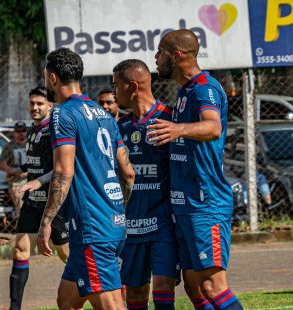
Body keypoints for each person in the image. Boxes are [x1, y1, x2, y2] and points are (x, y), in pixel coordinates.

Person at [149, 29, 243, 310]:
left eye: (160, 51)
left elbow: (213, 127)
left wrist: (178, 129)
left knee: (214, 285)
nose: (156, 57)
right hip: (185, 203)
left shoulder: (205, 88)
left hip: (205, 201)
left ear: (176, 56)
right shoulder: (185, 91)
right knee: (193, 284)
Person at [37, 47, 135, 310]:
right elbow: (128, 173)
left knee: (111, 305)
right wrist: (117, 210)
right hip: (112, 222)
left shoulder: (62, 114)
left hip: (92, 227)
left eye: (47, 76)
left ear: (53, 78)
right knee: (67, 300)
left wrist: (46, 221)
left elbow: (63, 172)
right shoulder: (104, 114)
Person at [113, 59, 178, 310]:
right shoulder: (121, 127)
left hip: (163, 223)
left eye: (116, 85)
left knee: (162, 286)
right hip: (131, 225)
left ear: (132, 86)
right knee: (136, 290)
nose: (114, 91)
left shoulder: (169, 120)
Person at [5, 87, 69, 310]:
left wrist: (39, 181)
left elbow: (62, 168)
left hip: (54, 202)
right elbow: (37, 161)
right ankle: (15, 307)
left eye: (40, 104)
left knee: (66, 255)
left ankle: (92, 294)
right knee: (20, 250)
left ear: (50, 106)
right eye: (32, 103)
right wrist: (20, 170)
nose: (34, 107)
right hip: (33, 201)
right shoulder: (33, 129)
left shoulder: (55, 130)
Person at [0, 121, 28, 214]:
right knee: (21, 207)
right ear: (14, 132)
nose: (21, 134)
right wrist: (11, 171)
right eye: (18, 131)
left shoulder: (31, 144)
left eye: (23, 131)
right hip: (18, 180)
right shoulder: (9, 146)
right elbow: (2, 164)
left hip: (33, 177)